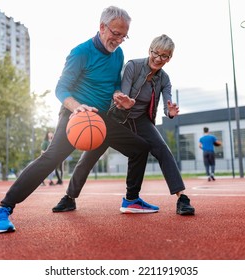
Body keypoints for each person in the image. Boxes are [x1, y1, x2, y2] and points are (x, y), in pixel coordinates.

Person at [0, 6, 155, 233]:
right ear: (102, 27)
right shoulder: (81, 52)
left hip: (102, 117)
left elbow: (114, 83)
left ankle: (131, 200)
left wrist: (118, 96)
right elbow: (61, 89)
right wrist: (77, 108)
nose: (119, 40)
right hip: (75, 114)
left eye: (124, 36)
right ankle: (2, 208)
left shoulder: (118, 54)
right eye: (115, 33)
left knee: (140, 148)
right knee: (51, 158)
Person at [53, 34, 195, 215]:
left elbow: (168, 102)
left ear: (170, 58)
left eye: (164, 56)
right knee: (90, 155)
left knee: (161, 149)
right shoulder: (133, 66)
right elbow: (122, 97)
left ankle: (181, 198)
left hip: (141, 121)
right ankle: (69, 198)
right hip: (119, 117)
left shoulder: (164, 79)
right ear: (149, 50)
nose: (158, 59)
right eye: (156, 53)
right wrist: (124, 102)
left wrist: (170, 112)